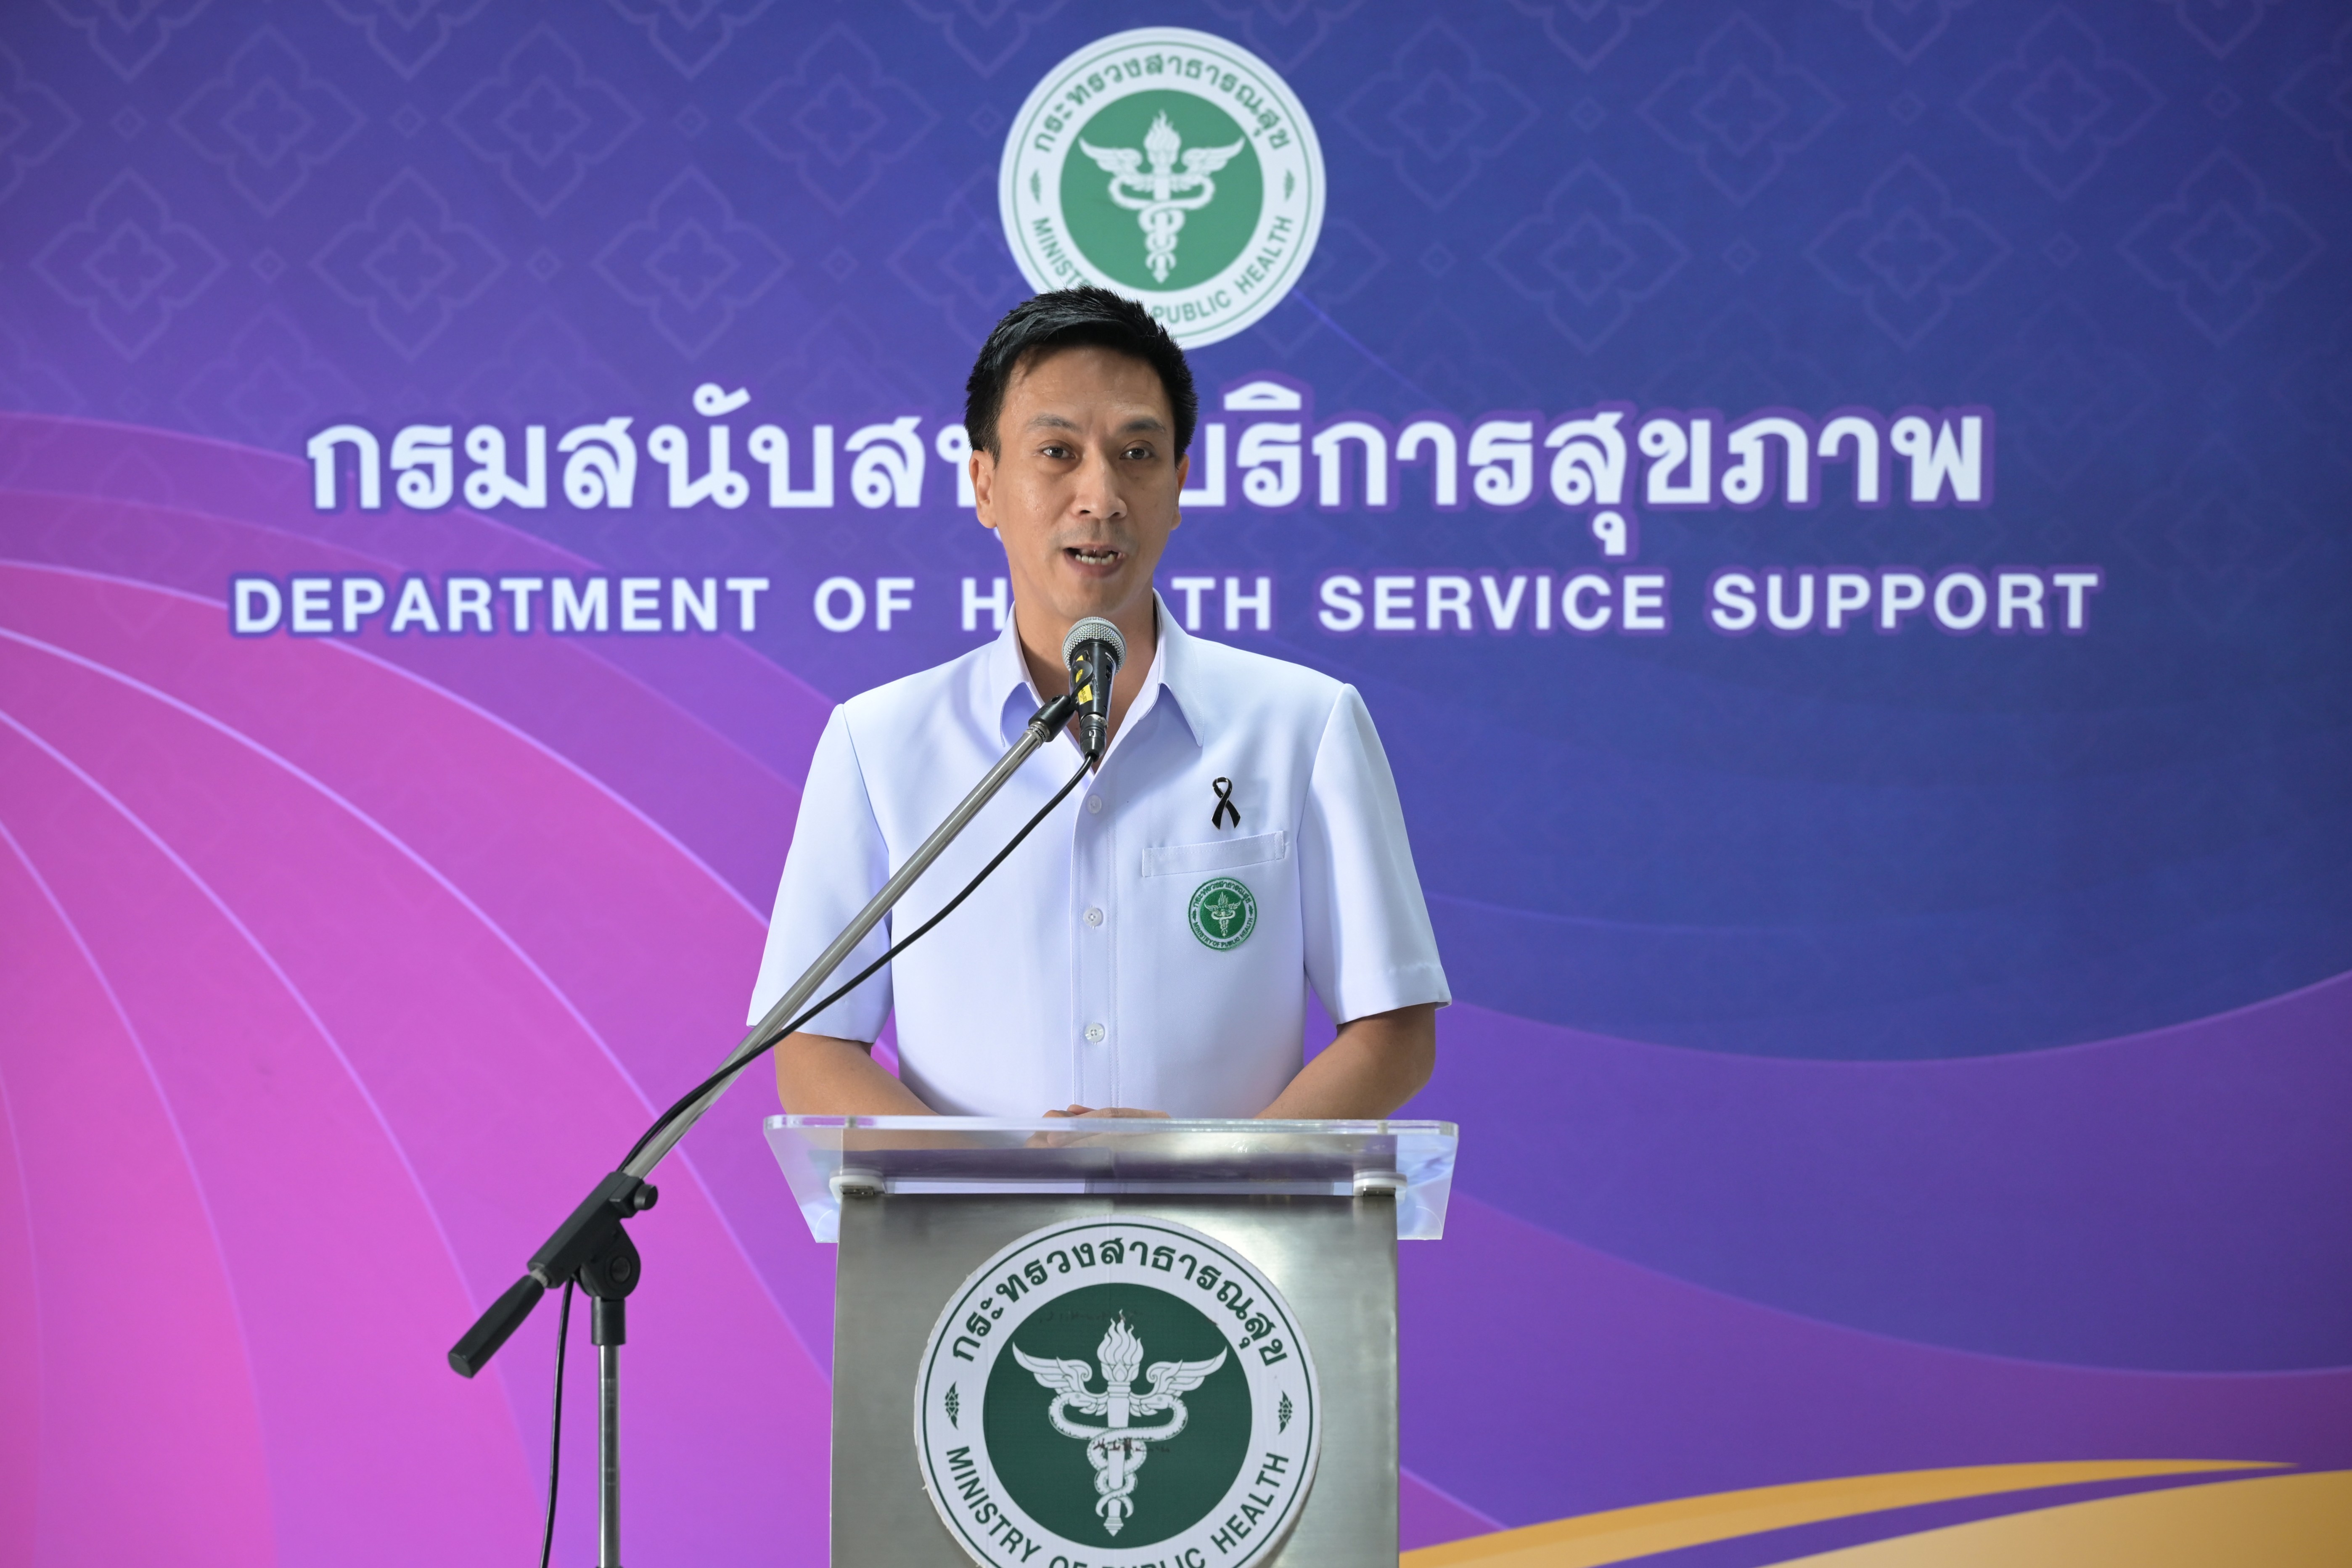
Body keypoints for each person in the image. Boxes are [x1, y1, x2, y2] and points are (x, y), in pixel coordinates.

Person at [747, 287, 1448, 1120]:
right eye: (1056, 452)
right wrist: (995, 1180)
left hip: (1229, 1213)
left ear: (1178, 484)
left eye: (1137, 454)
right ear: (984, 483)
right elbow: (811, 1046)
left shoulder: (1303, 724)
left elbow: (1394, 1029)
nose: (1101, 495)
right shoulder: (879, 742)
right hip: (971, 1216)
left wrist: (1209, 1171)